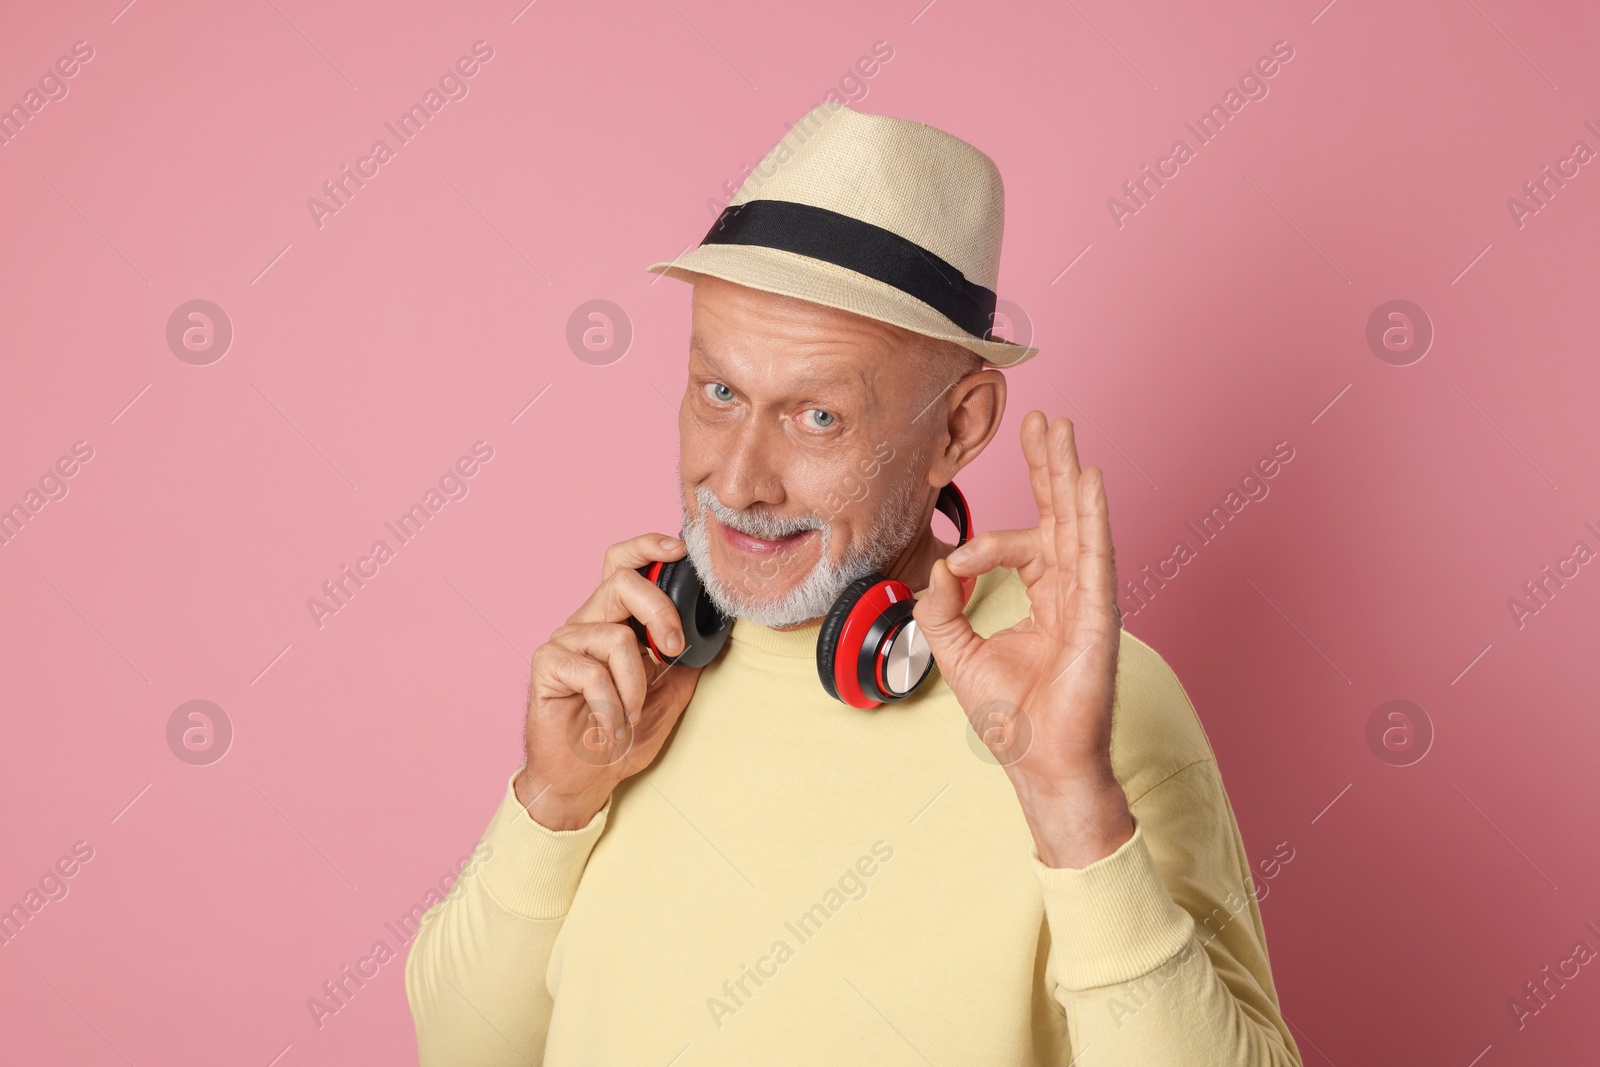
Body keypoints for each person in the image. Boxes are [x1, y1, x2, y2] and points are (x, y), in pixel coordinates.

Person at [404, 102, 1301, 1066]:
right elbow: (462, 1049)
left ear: (958, 429)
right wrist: (555, 798)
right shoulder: (635, 666)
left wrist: (1075, 809)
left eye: (817, 416)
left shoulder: (1093, 707)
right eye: (719, 393)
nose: (739, 481)